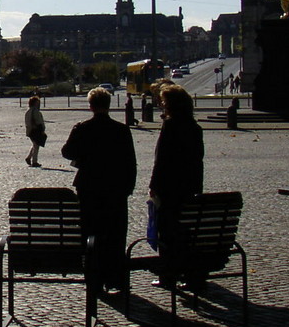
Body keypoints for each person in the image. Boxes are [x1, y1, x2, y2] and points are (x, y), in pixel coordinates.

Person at [61, 87, 137, 292]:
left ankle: (94, 277)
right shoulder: (121, 130)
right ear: (109, 105)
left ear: (91, 106)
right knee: (115, 234)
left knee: (91, 232)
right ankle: (115, 277)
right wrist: (128, 187)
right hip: (115, 188)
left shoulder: (83, 128)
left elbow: (67, 152)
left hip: (89, 187)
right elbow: (130, 162)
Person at [148, 84, 205, 287]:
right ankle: (192, 274)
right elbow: (198, 161)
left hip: (170, 189)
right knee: (188, 230)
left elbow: (162, 161)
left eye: (164, 103)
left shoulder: (170, 127)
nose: (162, 106)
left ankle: (168, 274)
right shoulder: (195, 129)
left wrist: (154, 186)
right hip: (190, 188)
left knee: (167, 231)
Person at [24, 95, 45, 167]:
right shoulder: (35, 111)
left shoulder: (28, 111)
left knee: (35, 144)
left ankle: (29, 158)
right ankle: (34, 161)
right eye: (37, 102)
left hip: (30, 130)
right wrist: (42, 129)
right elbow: (38, 121)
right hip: (35, 130)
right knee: (36, 146)